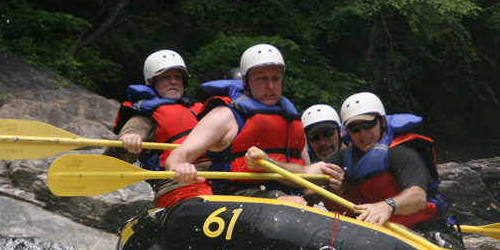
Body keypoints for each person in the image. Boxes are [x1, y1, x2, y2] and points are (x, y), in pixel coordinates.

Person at [166, 44, 343, 202]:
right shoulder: (224, 116)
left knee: (308, 194)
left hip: (290, 197)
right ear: (245, 81)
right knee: (293, 203)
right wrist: (180, 167)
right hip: (237, 197)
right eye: (262, 78)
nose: (271, 86)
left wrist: (328, 187)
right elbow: (178, 155)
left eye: (276, 78)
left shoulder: (290, 119)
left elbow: (303, 179)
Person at [322, 92, 455, 237]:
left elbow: (418, 197)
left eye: (368, 124)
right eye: (355, 129)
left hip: (426, 229)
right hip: (383, 234)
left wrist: (387, 205)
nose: (363, 133)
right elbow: (310, 172)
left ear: (383, 122)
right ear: (348, 131)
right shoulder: (344, 157)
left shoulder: (401, 153)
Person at [103, 49, 214, 207]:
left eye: (177, 77)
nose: (173, 81)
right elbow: (112, 164)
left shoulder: (204, 110)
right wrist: (124, 145)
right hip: (180, 187)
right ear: (153, 83)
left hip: (221, 181)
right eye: (166, 77)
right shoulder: (144, 119)